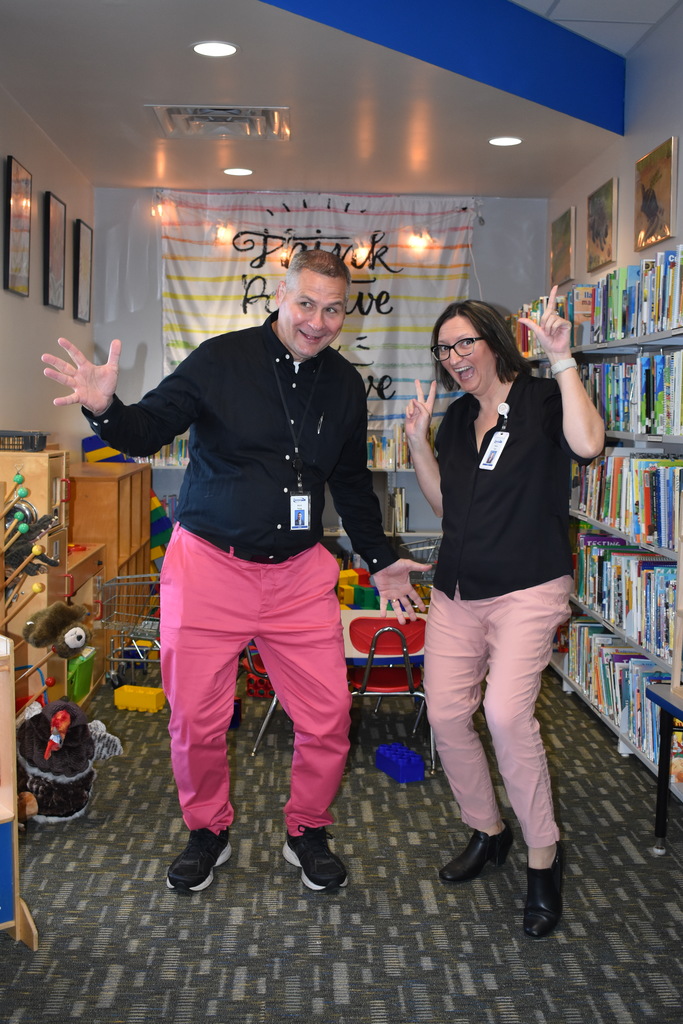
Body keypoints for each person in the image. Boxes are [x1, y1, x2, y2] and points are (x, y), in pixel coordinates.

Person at [42, 249, 428, 894]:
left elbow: (353, 485)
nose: (318, 321)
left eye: (333, 309)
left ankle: (306, 829)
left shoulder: (343, 385)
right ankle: (207, 830)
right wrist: (105, 409)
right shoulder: (221, 359)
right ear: (281, 294)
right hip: (208, 569)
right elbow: (145, 431)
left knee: (329, 716)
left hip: (300, 573)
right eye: (306, 303)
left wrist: (383, 560)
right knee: (196, 719)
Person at [404, 286, 604, 938]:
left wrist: (560, 357)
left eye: (464, 342)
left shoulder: (544, 399)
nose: (454, 357)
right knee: (444, 714)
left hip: (527, 586)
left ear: (493, 341)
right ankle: (487, 830)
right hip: (458, 590)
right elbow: (447, 508)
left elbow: (589, 443)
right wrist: (416, 443)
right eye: (444, 349)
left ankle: (542, 856)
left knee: (506, 713)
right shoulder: (458, 421)